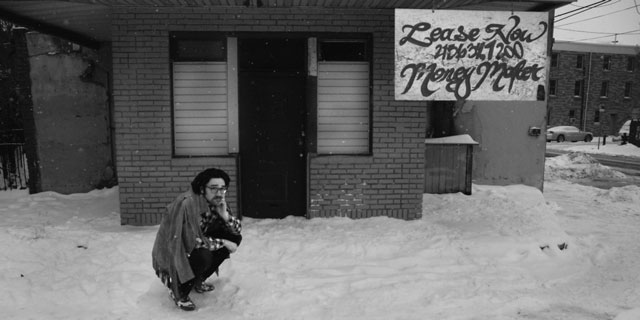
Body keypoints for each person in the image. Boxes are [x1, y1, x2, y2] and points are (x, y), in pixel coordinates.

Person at [152, 168, 242, 311]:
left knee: (234, 237)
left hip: (197, 244)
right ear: (202, 189)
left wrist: (225, 216)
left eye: (223, 189)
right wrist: (224, 242)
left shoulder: (217, 201)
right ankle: (178, 291)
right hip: (173, 253)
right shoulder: (187, 204)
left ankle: (197, 279)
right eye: (213, 188)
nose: (219, 193)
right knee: (203, 255)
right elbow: (191, 242)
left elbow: (237, 231)